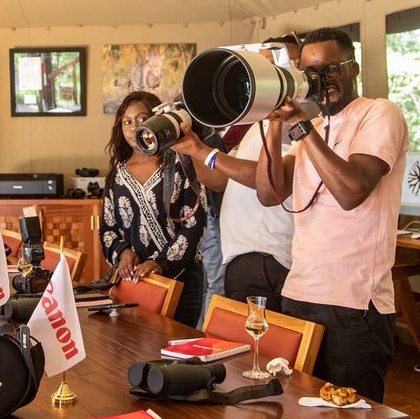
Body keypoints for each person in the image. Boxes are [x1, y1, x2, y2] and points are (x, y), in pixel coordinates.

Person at [255, 27, 407, 403]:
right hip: (299, 293)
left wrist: (300, 127)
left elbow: (351, 191)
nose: (319, 80)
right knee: (296, 407)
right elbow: (269, 193)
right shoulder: (317, 128)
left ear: (353, 68)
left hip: (353, 304)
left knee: (349, 410)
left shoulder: (379, 113)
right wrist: (274, 123)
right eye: (308, 71)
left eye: (329, 68)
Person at [172, 32, 301, 313]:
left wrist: (206, 153)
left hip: (273, 254)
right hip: (241, 256)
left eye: (275, 66)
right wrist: (193, 145)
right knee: (245, 350)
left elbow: (267, 178)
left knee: (270, 349)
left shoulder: (301, 122)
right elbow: (220, 180)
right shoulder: (257, 127)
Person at [100, 91, 206, 327]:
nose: (133, 127)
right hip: (133, 284)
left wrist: (160, 264)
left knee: (174, 355)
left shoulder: (181, 163)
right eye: (127, 122)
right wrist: (123, 253)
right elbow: (107, 229)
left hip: (181, 280)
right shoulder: (116, 176)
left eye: (141, 119)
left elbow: (194, 224)